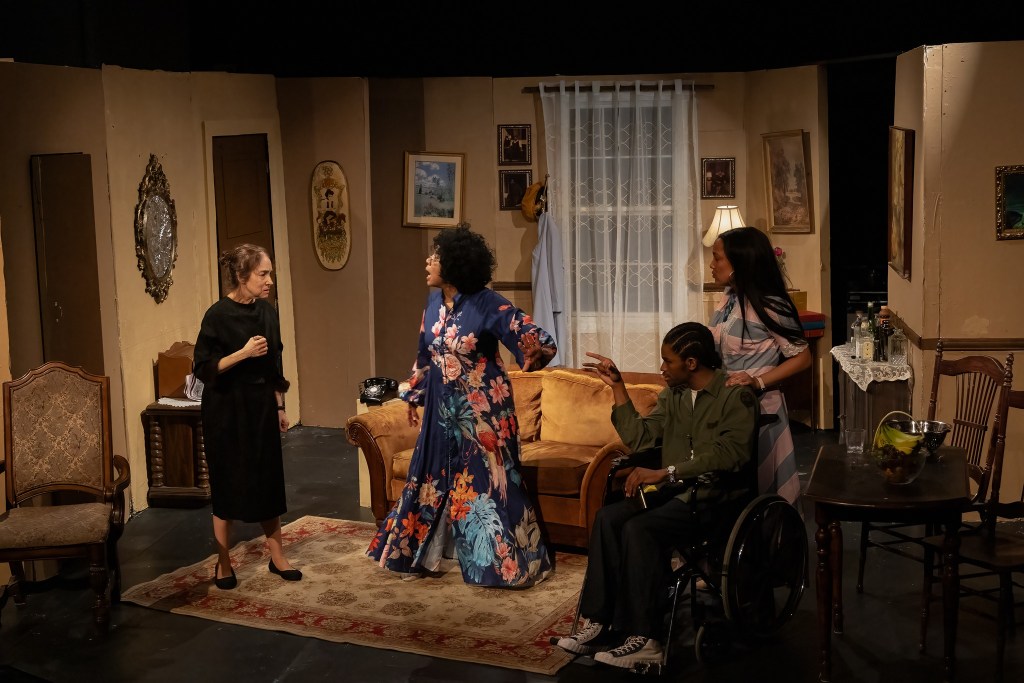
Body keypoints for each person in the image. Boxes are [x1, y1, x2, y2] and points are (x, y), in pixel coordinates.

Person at [555, 322, 758, 669]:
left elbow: (730, 453)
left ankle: (646, 638)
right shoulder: (673, 396)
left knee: (640, 529)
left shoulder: (735, 396)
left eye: (668, 361)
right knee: (608, 518)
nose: (661, 368)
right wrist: (618, 387)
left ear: (691, 363)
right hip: (673, 493)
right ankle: (601, 623)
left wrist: (668, 471)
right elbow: (641, 438)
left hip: (713, 499)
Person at [366, 226, 557, 587]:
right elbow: (426, 354)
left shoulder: (488, 303)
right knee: (430, 477)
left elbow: (534, 338)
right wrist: (415, 395)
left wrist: (536, 351)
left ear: (454, 264)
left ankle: (503, 565)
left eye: (435, 256)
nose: (428, 261)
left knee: (488, 485)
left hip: (483, 413)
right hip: (442, 412)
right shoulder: (433, 304)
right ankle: (420, 554)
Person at [193, 244, 300, 590]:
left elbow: (273, 365)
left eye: (270, 273)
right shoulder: (217, 315)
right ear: (242, 276)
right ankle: (223, 562)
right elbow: (204, 368)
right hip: (226, 409)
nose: (269, 281)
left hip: (260, 406)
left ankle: (277, 557)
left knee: (268, 479)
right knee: (228, 482)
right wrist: (242, 353)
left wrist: (279, 406)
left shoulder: (267, 312)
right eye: (263, 274)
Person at [708, 226, 810, 505]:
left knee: (762, 490)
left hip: (760, 408)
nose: (712, 265)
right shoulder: (729, 298)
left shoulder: (769, 304)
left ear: (739, 262)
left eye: (717, 257)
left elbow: (802, 357)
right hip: (730, 406)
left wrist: (758, 381)